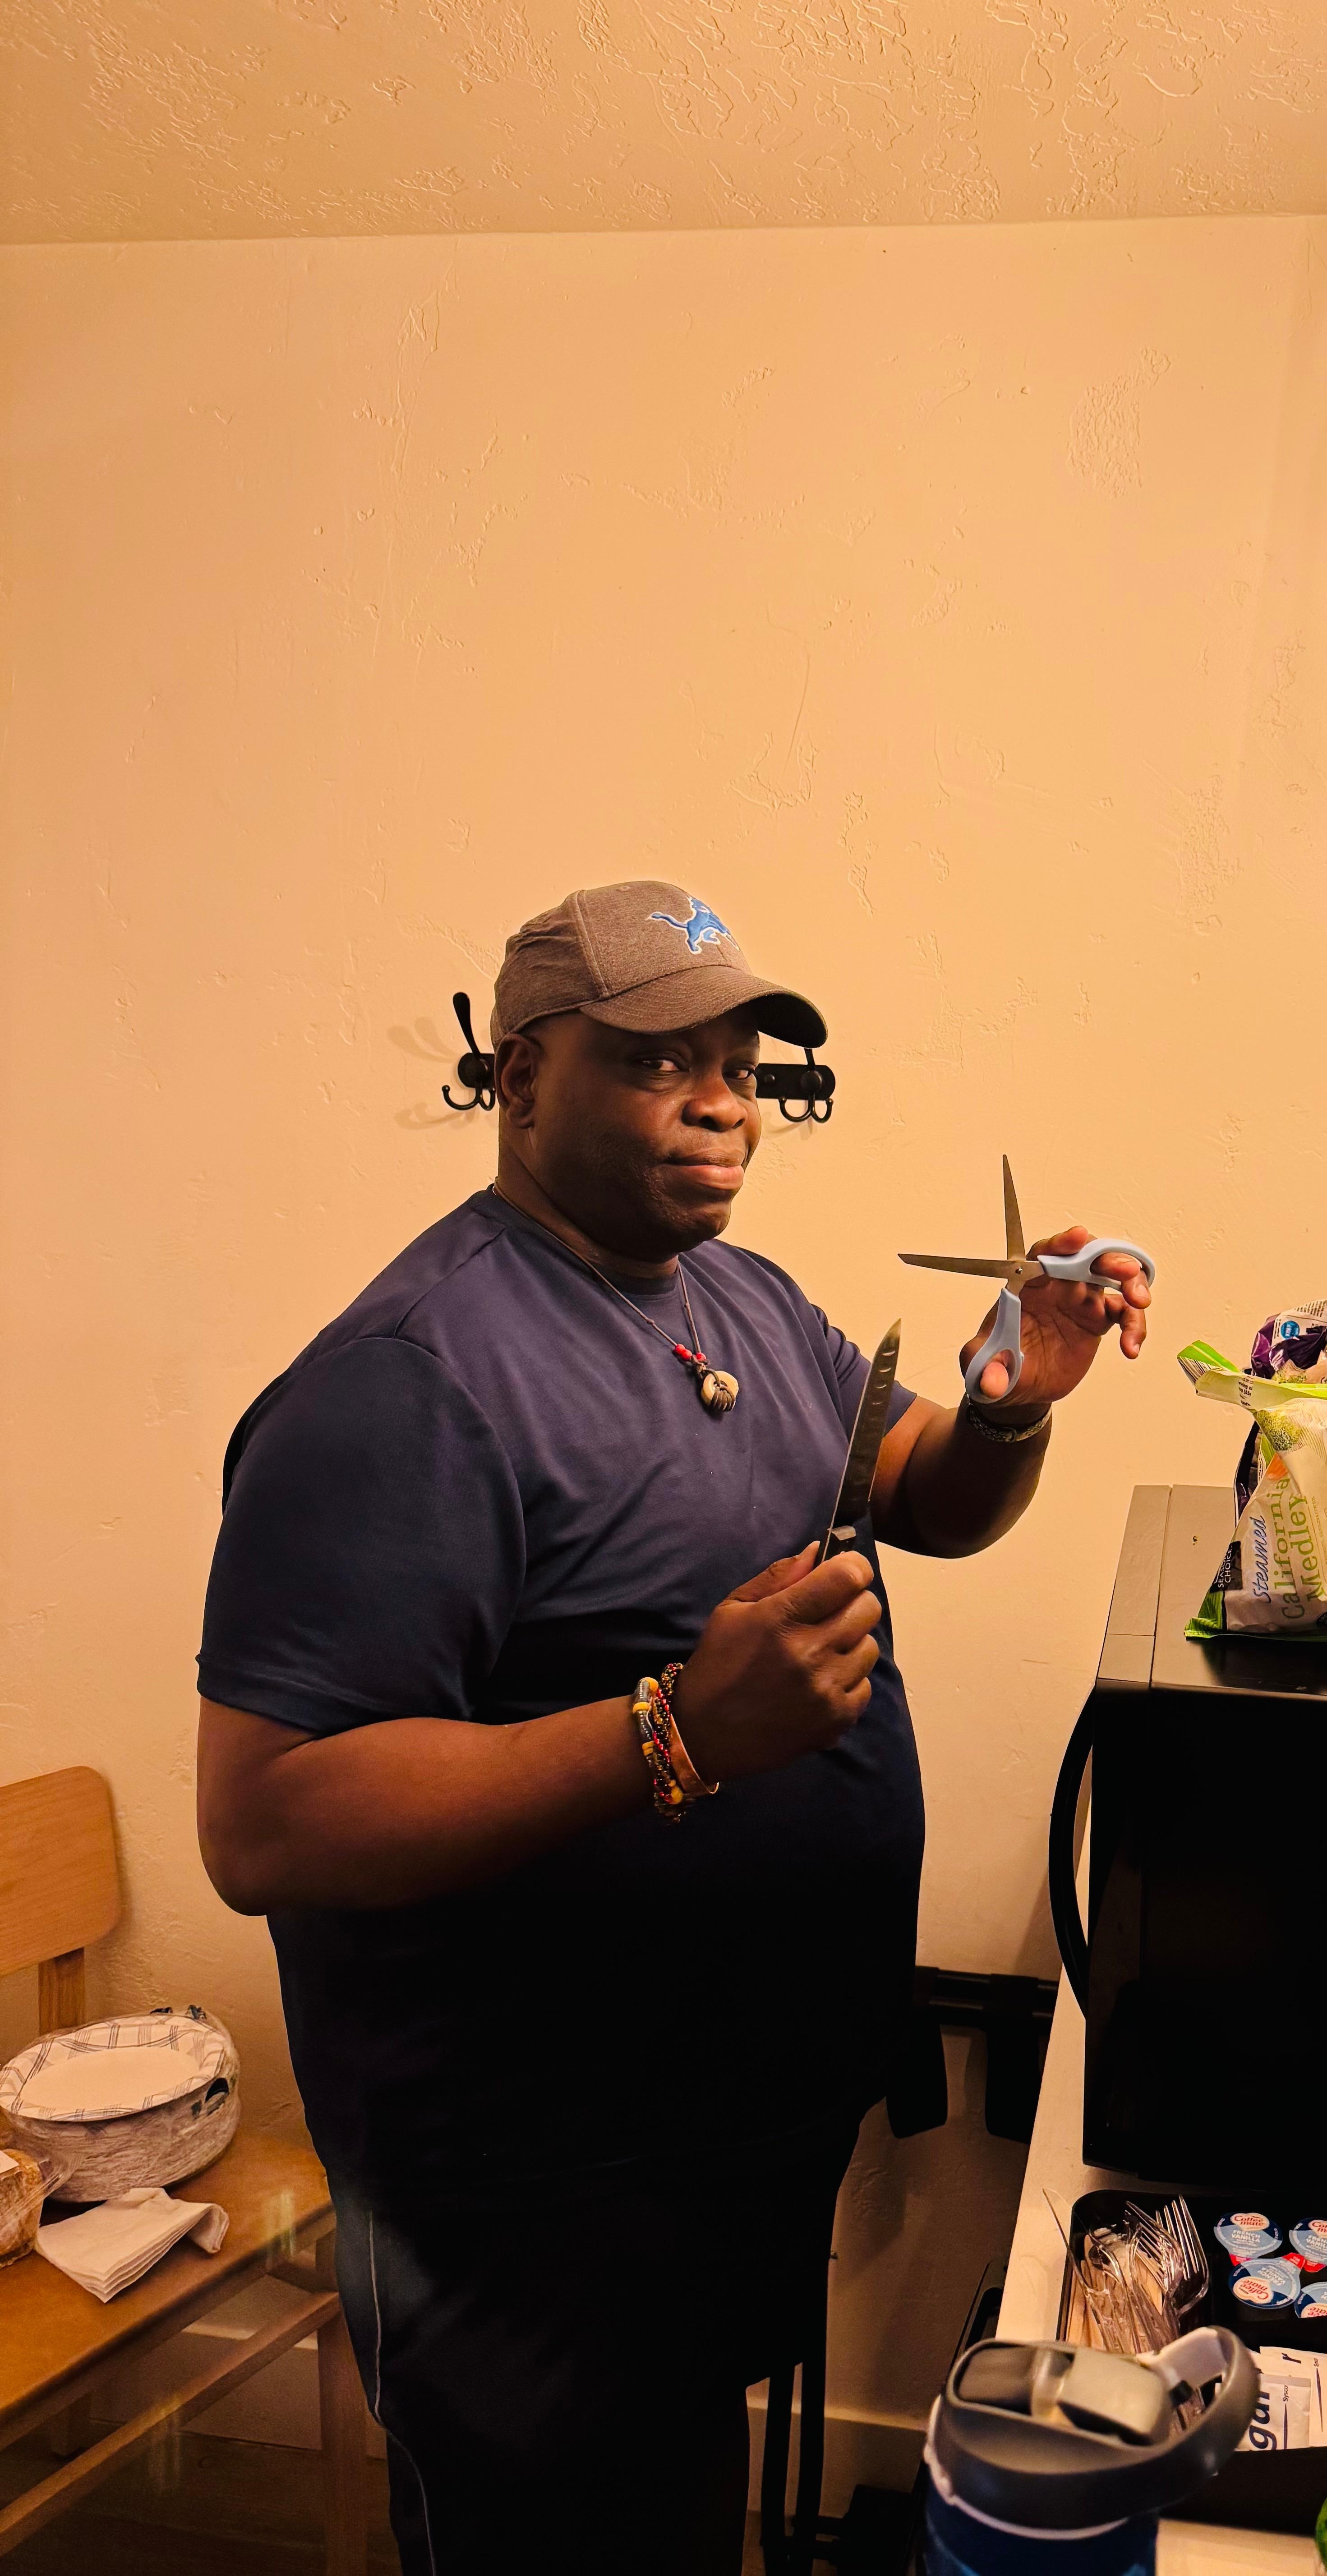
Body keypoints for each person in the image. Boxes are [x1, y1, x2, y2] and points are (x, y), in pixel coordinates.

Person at [194, 880, 1152, 2574]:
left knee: (666, 2511)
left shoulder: (748, 1300)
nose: (718, 1100)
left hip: (711, 2119)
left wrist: (1013, 1400)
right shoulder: (410, 1377)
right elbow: (266, 1820)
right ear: (518, 1078)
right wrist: (678, 1735)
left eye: (741, 1064)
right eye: (655, 1061)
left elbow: (917, 1485)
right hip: (529, 2183)